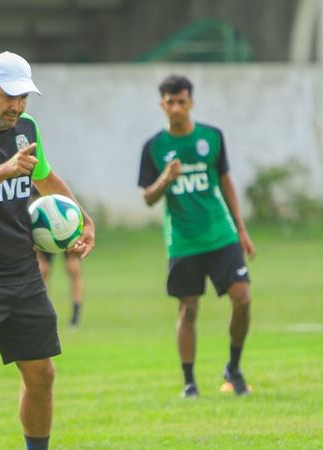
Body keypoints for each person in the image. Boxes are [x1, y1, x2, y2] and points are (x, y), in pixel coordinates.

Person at [0, 51, 95, 450]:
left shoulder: (27, 128)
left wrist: (82, 217)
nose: (18, 105)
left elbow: (44, 177)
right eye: (10, 96)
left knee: (42, 374)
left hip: (23, 271)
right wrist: (3, 171)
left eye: (24, 96)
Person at [138, 74, 256, 398]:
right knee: (188, 309)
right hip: (184, 240)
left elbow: (226, 182)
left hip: (221, 234)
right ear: (162, 105)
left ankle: (233, 367)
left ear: (191, 101)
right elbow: (148, 197)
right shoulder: (154, 147)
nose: (176, 108)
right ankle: (189, 382)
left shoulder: (212, 137)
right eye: (170, 102)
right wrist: (165, 178)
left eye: (182, 101)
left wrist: (241, 230)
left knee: (243, 299)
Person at [36, 250, 84, 327]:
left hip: (66, 238)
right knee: (43, 269)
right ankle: (43, 312)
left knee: (73, 268)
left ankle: (75, 316)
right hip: (45, 238)